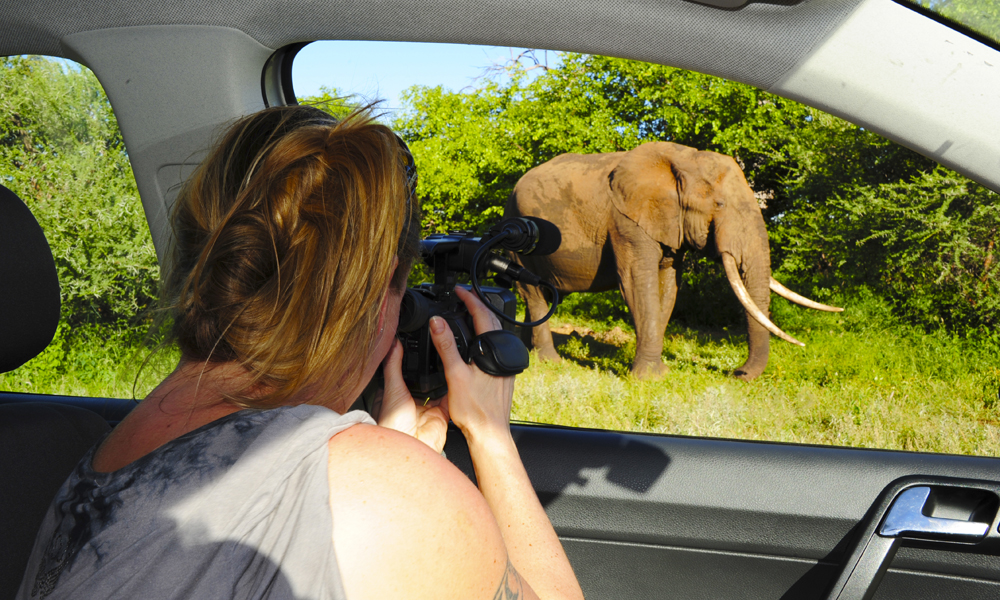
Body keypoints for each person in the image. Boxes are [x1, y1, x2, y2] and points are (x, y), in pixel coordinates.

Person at [17, 105, 585, 600]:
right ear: (377, 291)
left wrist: (376, 455)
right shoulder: (382, 493)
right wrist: (488, 437)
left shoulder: (100, 454)